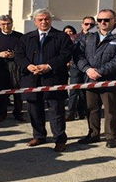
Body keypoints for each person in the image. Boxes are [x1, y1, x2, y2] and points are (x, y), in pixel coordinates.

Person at [15, 9, 73, 152]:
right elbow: (19, 55)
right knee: (34, 109)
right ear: (35, 21)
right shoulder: (26, 38)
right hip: (31, 79)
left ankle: (60, 139)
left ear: (51, 20)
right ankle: (39, 135)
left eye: (46, 19)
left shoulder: (61, 37)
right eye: (40, 19)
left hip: (53, 79)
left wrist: (48, 66)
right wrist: (28, 66)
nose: (43, 22)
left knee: (56, 110)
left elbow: (65, 54)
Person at [76, 9, 116, 148]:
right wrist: (87, 69)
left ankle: (111, 136)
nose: (102, 23)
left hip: (109, 80)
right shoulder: (89, 37)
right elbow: (78, 55)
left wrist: (100, 71)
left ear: (114, 21)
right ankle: (93, 134)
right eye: (99, 20)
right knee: (91, 108)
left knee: (110, 109)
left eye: (106, 20)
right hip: (90, 79)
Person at [0, 14, 24, 122]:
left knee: (17, 91)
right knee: (1, 92)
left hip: (16, 67)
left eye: (8, 24)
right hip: (1, 67)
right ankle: (1, 113)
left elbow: (25, 51)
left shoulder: (20, 37)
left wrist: (15, 54)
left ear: (12, 24)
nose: (6, 26)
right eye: (3, 24)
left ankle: (18, 113)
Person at [66, 16, 95, 121]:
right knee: (74, 91)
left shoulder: (96, 37)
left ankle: (82, 111)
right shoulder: (75, 37)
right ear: (82, 25)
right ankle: (70, 112)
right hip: (76, 67)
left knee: (85, 92)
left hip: (89, 68)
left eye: (92, 24)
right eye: (87, 24)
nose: (89, 26)